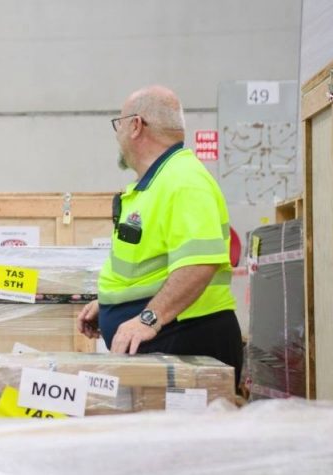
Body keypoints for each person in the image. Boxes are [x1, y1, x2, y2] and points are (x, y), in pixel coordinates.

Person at [77, 85, 243, 389]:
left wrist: (148, 318)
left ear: (136, 126)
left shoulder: (184, 182)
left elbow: (199, 264)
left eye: (120, 125)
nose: (118, 136)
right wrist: (111, 301)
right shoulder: (157, 183)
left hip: (187, 340)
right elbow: (150, 264)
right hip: (170, 339)